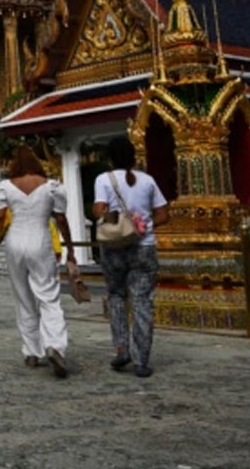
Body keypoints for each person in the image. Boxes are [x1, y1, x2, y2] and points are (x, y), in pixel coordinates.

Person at [0, 146, 76, 378]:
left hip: (14, 240)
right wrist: (70, 248)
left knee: (23, 297)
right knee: (48, 296)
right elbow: (61, 220)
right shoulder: (51, 187)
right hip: (40, 239)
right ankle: (54, 345)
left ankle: (31, 351)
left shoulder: (5, 187)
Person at [91, 136, 170, 378]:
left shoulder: (104, 179)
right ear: (134, 157)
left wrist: (115, 216)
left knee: (116, 295)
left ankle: (122, 348)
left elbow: (98, 211)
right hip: (143, 246)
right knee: (142, 301)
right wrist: (143, 225)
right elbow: (164, 215)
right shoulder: (148, 181)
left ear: (110, 159)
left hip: (115, 246)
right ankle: (142, 360)